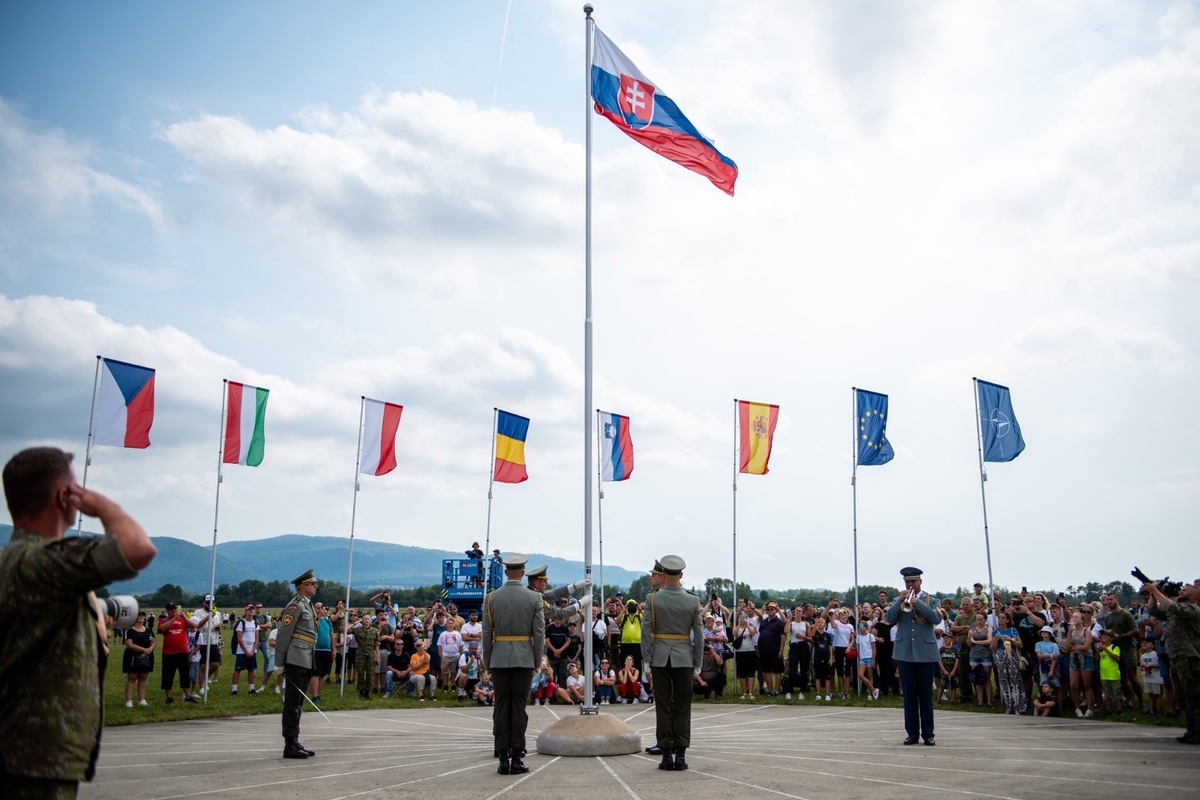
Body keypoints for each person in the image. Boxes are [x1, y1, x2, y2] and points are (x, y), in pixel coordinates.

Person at [0, 446, 156, 797]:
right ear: (63, 496)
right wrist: (104, 507)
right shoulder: (40, 562)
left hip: (22, 749)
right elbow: (137, 548)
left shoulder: (15, 562)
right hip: (33, 756)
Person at [481, 553, 544, 775]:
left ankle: (502, 757)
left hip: (498, 658)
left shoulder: (491, 598)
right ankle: (517, 756)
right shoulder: (533, 598)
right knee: (518, 707)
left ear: (506, 572)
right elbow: (538, 634)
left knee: (501, 707)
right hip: (524, 658)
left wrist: (488, 662)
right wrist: (537, 661)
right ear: (523, 572)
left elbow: (486, 634)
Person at [641, 554, 703, 772]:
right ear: (681, 575)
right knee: (683, 706)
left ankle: (667, 754)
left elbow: (646, 631)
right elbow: (698, 634)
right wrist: (697, 662)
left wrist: (647, 659)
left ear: (664, 574)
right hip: (684, 657)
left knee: (663, 706)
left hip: (659, 657)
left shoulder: (652, 599)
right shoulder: (693, 600)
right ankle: (681, 755)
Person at [884, 566, 941, 745]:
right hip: (905, 653)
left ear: (920, 581)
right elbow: (889, 618)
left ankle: (928, 733)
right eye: (907, 581)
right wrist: (899, 602)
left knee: (925, 696)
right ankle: (912, 732)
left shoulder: (932, 599)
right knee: (909, 696)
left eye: (913, 581)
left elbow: (936, 619)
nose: (910, 584)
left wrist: (918, 603)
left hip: (925, 653)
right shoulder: (897, 599)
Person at [275, 569, 319, 759]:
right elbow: (284, 634)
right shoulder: (295, 606)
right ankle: (289, 744)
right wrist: (279, 661)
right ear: (303, 587)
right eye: (313, 584)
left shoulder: (307, 605)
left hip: (305, 657)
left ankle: (294, 739)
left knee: (298, 703)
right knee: (292, 703)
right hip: (295, 658)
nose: (316, 586)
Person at [122, 611, 156, 708]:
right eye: (139, 616)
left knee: (143, 677)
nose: (141, 617)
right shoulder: (129, 631)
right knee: (132, 677)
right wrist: (143, 649)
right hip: (133, 656)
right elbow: (129, 644)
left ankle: (142, 699)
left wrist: (150, 649)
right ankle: (129, 700)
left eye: (143, 616)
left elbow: (154, 641)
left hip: (146, 656)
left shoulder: (149, 630)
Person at [230, 603, 259, 695]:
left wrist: (253, 649)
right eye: (249, 609)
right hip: (242, 650)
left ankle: (251, 688)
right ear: (245, 611)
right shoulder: (241, 623)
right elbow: (239, 638)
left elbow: (256, 638)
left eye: (252, 609)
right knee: (238, 669)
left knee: (251, 669)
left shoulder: (255, 623)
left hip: (252, 649)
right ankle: (234, 689)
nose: (251, 611)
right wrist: (246, 651)